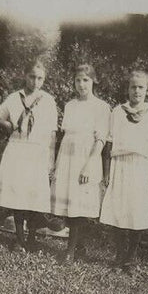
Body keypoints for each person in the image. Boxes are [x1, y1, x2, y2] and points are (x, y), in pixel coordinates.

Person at [0, 60, 58, 250]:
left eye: (40, 78)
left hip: (38, 151)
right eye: (32, 77)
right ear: (25, 76)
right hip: (17, 149)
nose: (35, 82)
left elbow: (52, 133)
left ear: (44, 79)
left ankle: (32, 238)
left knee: (35, 196)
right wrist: (5, 124)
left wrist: (51, 158)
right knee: (18, 195)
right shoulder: (14, 98)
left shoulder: (48, 101)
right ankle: (20, 239)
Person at [100, 70, 148, 271]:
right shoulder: (118, 112)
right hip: (120, 165)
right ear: (127, 89)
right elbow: (109, 143)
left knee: (137, 211)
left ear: (147, 89)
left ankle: (131, 258)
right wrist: (106, 172)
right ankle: (119, 255)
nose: (137, 91)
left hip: (142, 166)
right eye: (133, 87)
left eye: (141, 87)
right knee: (119, 210)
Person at [50, 64, 110, 262]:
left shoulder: (101, 107)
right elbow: (66, 136)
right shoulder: (70, 105)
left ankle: (70, 251)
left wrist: (89, 164)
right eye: (78, 80)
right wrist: (57, 164)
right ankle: (79, 246)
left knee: (79, 203)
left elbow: (101, 139)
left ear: (93, 81)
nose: (81, 84)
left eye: (86, 80)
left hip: (86, 157)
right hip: (67, 157)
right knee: (69, 203)